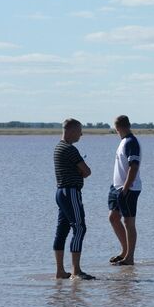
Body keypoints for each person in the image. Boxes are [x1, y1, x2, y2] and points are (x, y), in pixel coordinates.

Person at [52, 118, 94, 280]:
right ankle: (76, 270)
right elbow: (87, 171)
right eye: (79, 131)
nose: (81, 134)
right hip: (70, 192)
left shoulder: (58, 147)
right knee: (80, 227)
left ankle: (60, 271)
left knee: (62, 231)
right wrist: (81, 172)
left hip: (61, 192)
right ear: (70, 130)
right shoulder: (69, 149)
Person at [108, 115, 142, 266]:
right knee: (113, 218)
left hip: (129, 188)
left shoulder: (131, 142)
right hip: (116, 187)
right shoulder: (123, 142)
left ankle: (130, 257)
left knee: (129, 221)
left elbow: (133, 167)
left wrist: (126, 188)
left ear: (117, 128)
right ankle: (124, 251)